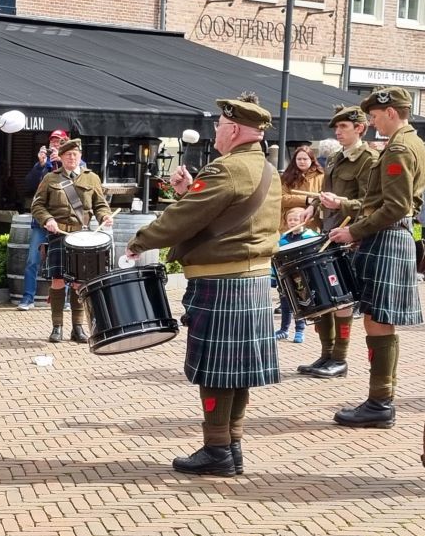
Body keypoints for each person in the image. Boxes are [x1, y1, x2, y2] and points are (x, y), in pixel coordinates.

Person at [126, 93, 281, 476]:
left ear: (232, 129)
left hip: (222, 281)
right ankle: (231, 446)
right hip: (253, 280)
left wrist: (138, 242)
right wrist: (187, 191)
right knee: (237, 372)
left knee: (214, 371)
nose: (215, 131)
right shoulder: (266, 169)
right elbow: (223, 215)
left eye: (219, 126)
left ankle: (216, 450)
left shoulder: (225, 170)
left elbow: (182, 220)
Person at [327, 86, 425, 428]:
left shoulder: (398, 147)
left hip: (387, 237)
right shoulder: (413, 143)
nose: (372, 122)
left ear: (392, 113)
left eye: (375, 116)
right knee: (378, 318)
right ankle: (380, 398)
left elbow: (396, 206)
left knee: (378, 319)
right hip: (392, 236)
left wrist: (355, 231)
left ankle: (380, 402)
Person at [298, 105, 377, 379]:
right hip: (329, 232)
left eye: (343, 127)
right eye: (336, 127)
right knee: (323, 296)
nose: (337, 132)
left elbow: (371, 203)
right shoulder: (335, 158)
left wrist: (342, 204)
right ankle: (326, 354)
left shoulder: (369, 159)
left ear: (360, 128)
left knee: (341, 299)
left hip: (350, 235)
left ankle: (340, 358)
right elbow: (326, 194)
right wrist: (315, 206)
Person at [30, 138, 113, 343]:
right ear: (62, 157)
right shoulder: (51, 178)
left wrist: (105, 217)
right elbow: (37, 206)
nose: (72, 158)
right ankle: (57, 326)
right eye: (68, 155)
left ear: (80, 156)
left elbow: (100, 205)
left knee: (80, 282)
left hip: (83, 236)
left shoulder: (91, 178)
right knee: (58, 280)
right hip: (58, 235)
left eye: (75, 154)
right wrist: (47, 219)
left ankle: (78, 328)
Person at [17, 129, 68, 310]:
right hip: (41, 222)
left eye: (59, 142)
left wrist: (62, 163)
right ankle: (28, 298)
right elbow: (29, 185)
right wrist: (40, 165)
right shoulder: (43, 165)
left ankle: (65, 300)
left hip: (64, 223)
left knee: (66, 261)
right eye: (53, 142)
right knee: (32, 259)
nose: (55, 145)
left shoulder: (74, 163)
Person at [273, 207, 319, 342]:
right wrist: (274, 276)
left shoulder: (310, 237)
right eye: (290, 220)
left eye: (296, 219)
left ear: (304, 220)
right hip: (286, 277)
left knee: (300, 303)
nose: (292, 222)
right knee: (285, 304)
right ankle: (284, 330)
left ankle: (300, 330)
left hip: (302, 277)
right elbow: (276, 260)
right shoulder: (282, 239)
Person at [280, 145, 324, 231]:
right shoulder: (287, 177)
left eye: (305, 159)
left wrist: (314, 203)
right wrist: (305, 200)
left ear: (311, 160)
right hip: (289, 223)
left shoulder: (321, 176)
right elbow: (281, 198)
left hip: (311, 222)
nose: (302, 162)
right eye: (299, 159)